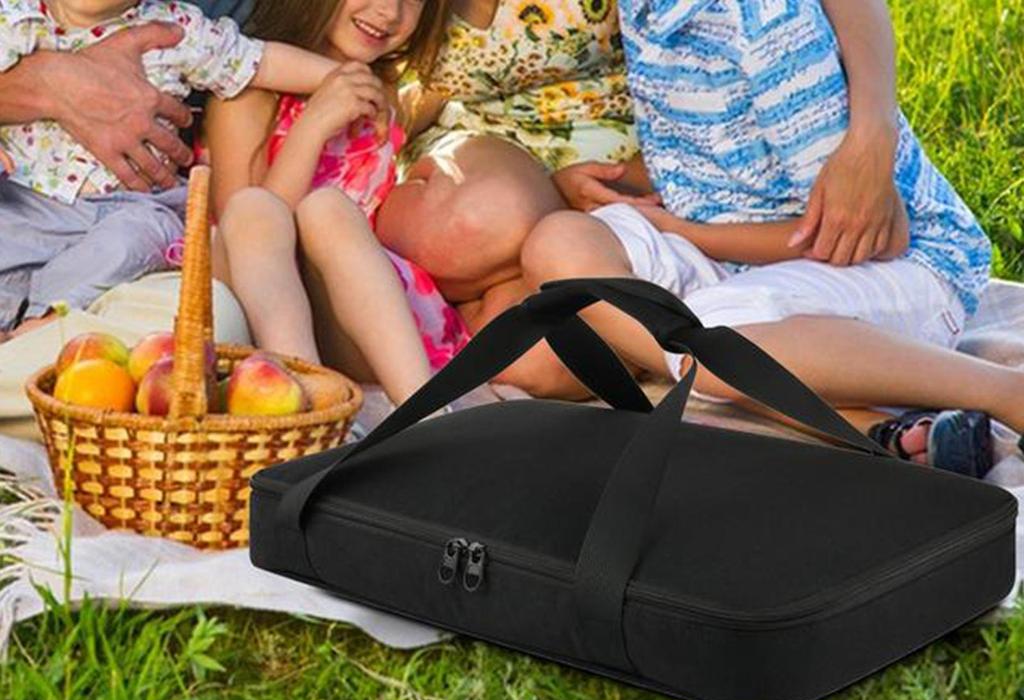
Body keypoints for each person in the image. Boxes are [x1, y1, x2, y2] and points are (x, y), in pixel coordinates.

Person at [520, 0, 1010, 475]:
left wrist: (684, 233)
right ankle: (869, 425)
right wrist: (617, 182)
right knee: (560, 242)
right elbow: (720, 149)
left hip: (896, 267)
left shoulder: (765, 27)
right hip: (743, 262)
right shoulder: (647, 10)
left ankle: (1003, 392)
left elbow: (877, 236)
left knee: (718, 340)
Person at [373, 0, 914, 394]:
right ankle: (574, 274)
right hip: (495, 155)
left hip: (636, 164)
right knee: (462, 229)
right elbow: (396, 69)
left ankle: (583, 280)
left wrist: (873, 131)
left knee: (535, 359)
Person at [0, 0, 353, 337]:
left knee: (135, 239)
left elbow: (259, 61)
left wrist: (343, 78)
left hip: (131, 206)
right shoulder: (13, 18)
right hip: (26, 202)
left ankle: (40, 322)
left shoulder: (176, 29)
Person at [205, 0, 466, 407]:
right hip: (253, 295)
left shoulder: (387, 97)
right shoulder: (246, 93)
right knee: (257, 207)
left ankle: (424, 412)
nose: (389, 12)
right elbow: (247, 230)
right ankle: (304, 405)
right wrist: (314, 125)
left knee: (326, 209)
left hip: (348, 319)